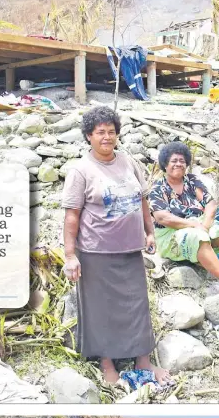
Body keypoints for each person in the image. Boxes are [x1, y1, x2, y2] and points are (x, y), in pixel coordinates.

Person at [61, 105, 172, 385]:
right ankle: (107, 363)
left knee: (137, 305)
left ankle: (143, 361)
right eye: (100, 132)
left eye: (111, 132)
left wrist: (149, 233)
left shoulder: (128, 162)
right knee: (102, 309)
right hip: (96, 251)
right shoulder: (81, 170)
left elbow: (142, 199)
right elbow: (71, 216)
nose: (107, 137)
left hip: (130, 249)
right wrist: (70, 255)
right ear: (89, 136)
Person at [148, 142, 219, 301]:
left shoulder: (191, 181)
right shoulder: (158, 188)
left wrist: (205, 225)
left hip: (199, 224)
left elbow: (211, 204)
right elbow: (163, 218)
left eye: (182, 161)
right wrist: (194, 225)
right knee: (197, 236)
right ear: (165, 164)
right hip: (170, 234)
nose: (179, 164)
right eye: (174, 161)